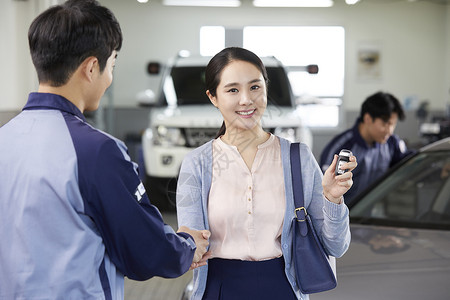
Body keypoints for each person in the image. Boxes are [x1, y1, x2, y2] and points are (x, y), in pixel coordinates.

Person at [0, 1, 210, 299]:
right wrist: (188, 245)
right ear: (91, 67)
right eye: (112, 65)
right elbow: (143, 249)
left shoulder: (5, 139)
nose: (109, 79)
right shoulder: (97, 151)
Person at [176, 47, 357, 300]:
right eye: (232, 90)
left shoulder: (298, 158)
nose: (246, 100)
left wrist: (332, 198)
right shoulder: (197, 164)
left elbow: (335, 247)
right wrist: (176, 245)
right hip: (219, 289)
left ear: (265, 88)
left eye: (254, 87)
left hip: (282, 288)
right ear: (213, 97)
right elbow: (190, 249)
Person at [320, 91, 414, 205]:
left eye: (393, 124)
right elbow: (323, 190)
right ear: (368, 118)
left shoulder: (391, 143)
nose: (389, 131)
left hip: (372, 214)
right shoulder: (342, 148)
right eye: (385, 124)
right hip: (342, 215)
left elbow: (409, 162)